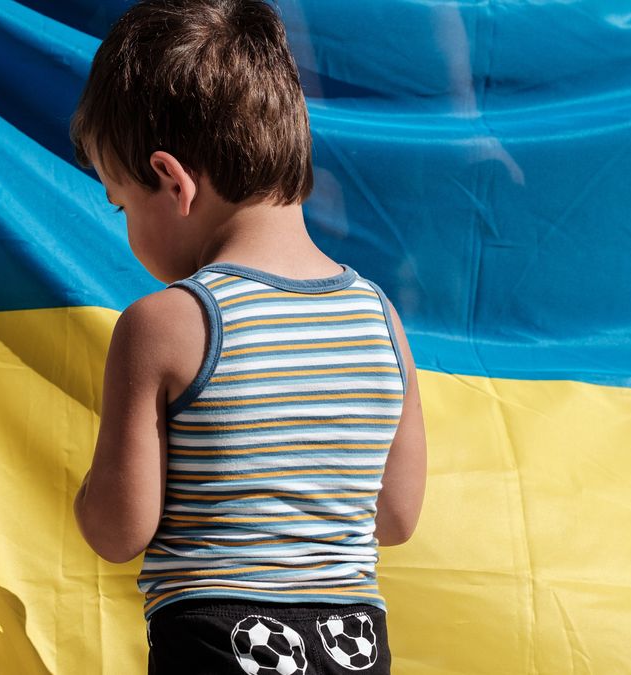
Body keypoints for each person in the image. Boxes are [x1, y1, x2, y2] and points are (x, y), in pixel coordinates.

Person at [68, 1, 427, 672]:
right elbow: (397, 516)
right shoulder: (380, 318)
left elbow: (120, 529)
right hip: (354, 646)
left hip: (219, 644)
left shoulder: (167, 324)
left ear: (172, 181)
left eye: (122, 203)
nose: (126, 227)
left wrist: (87, 497)